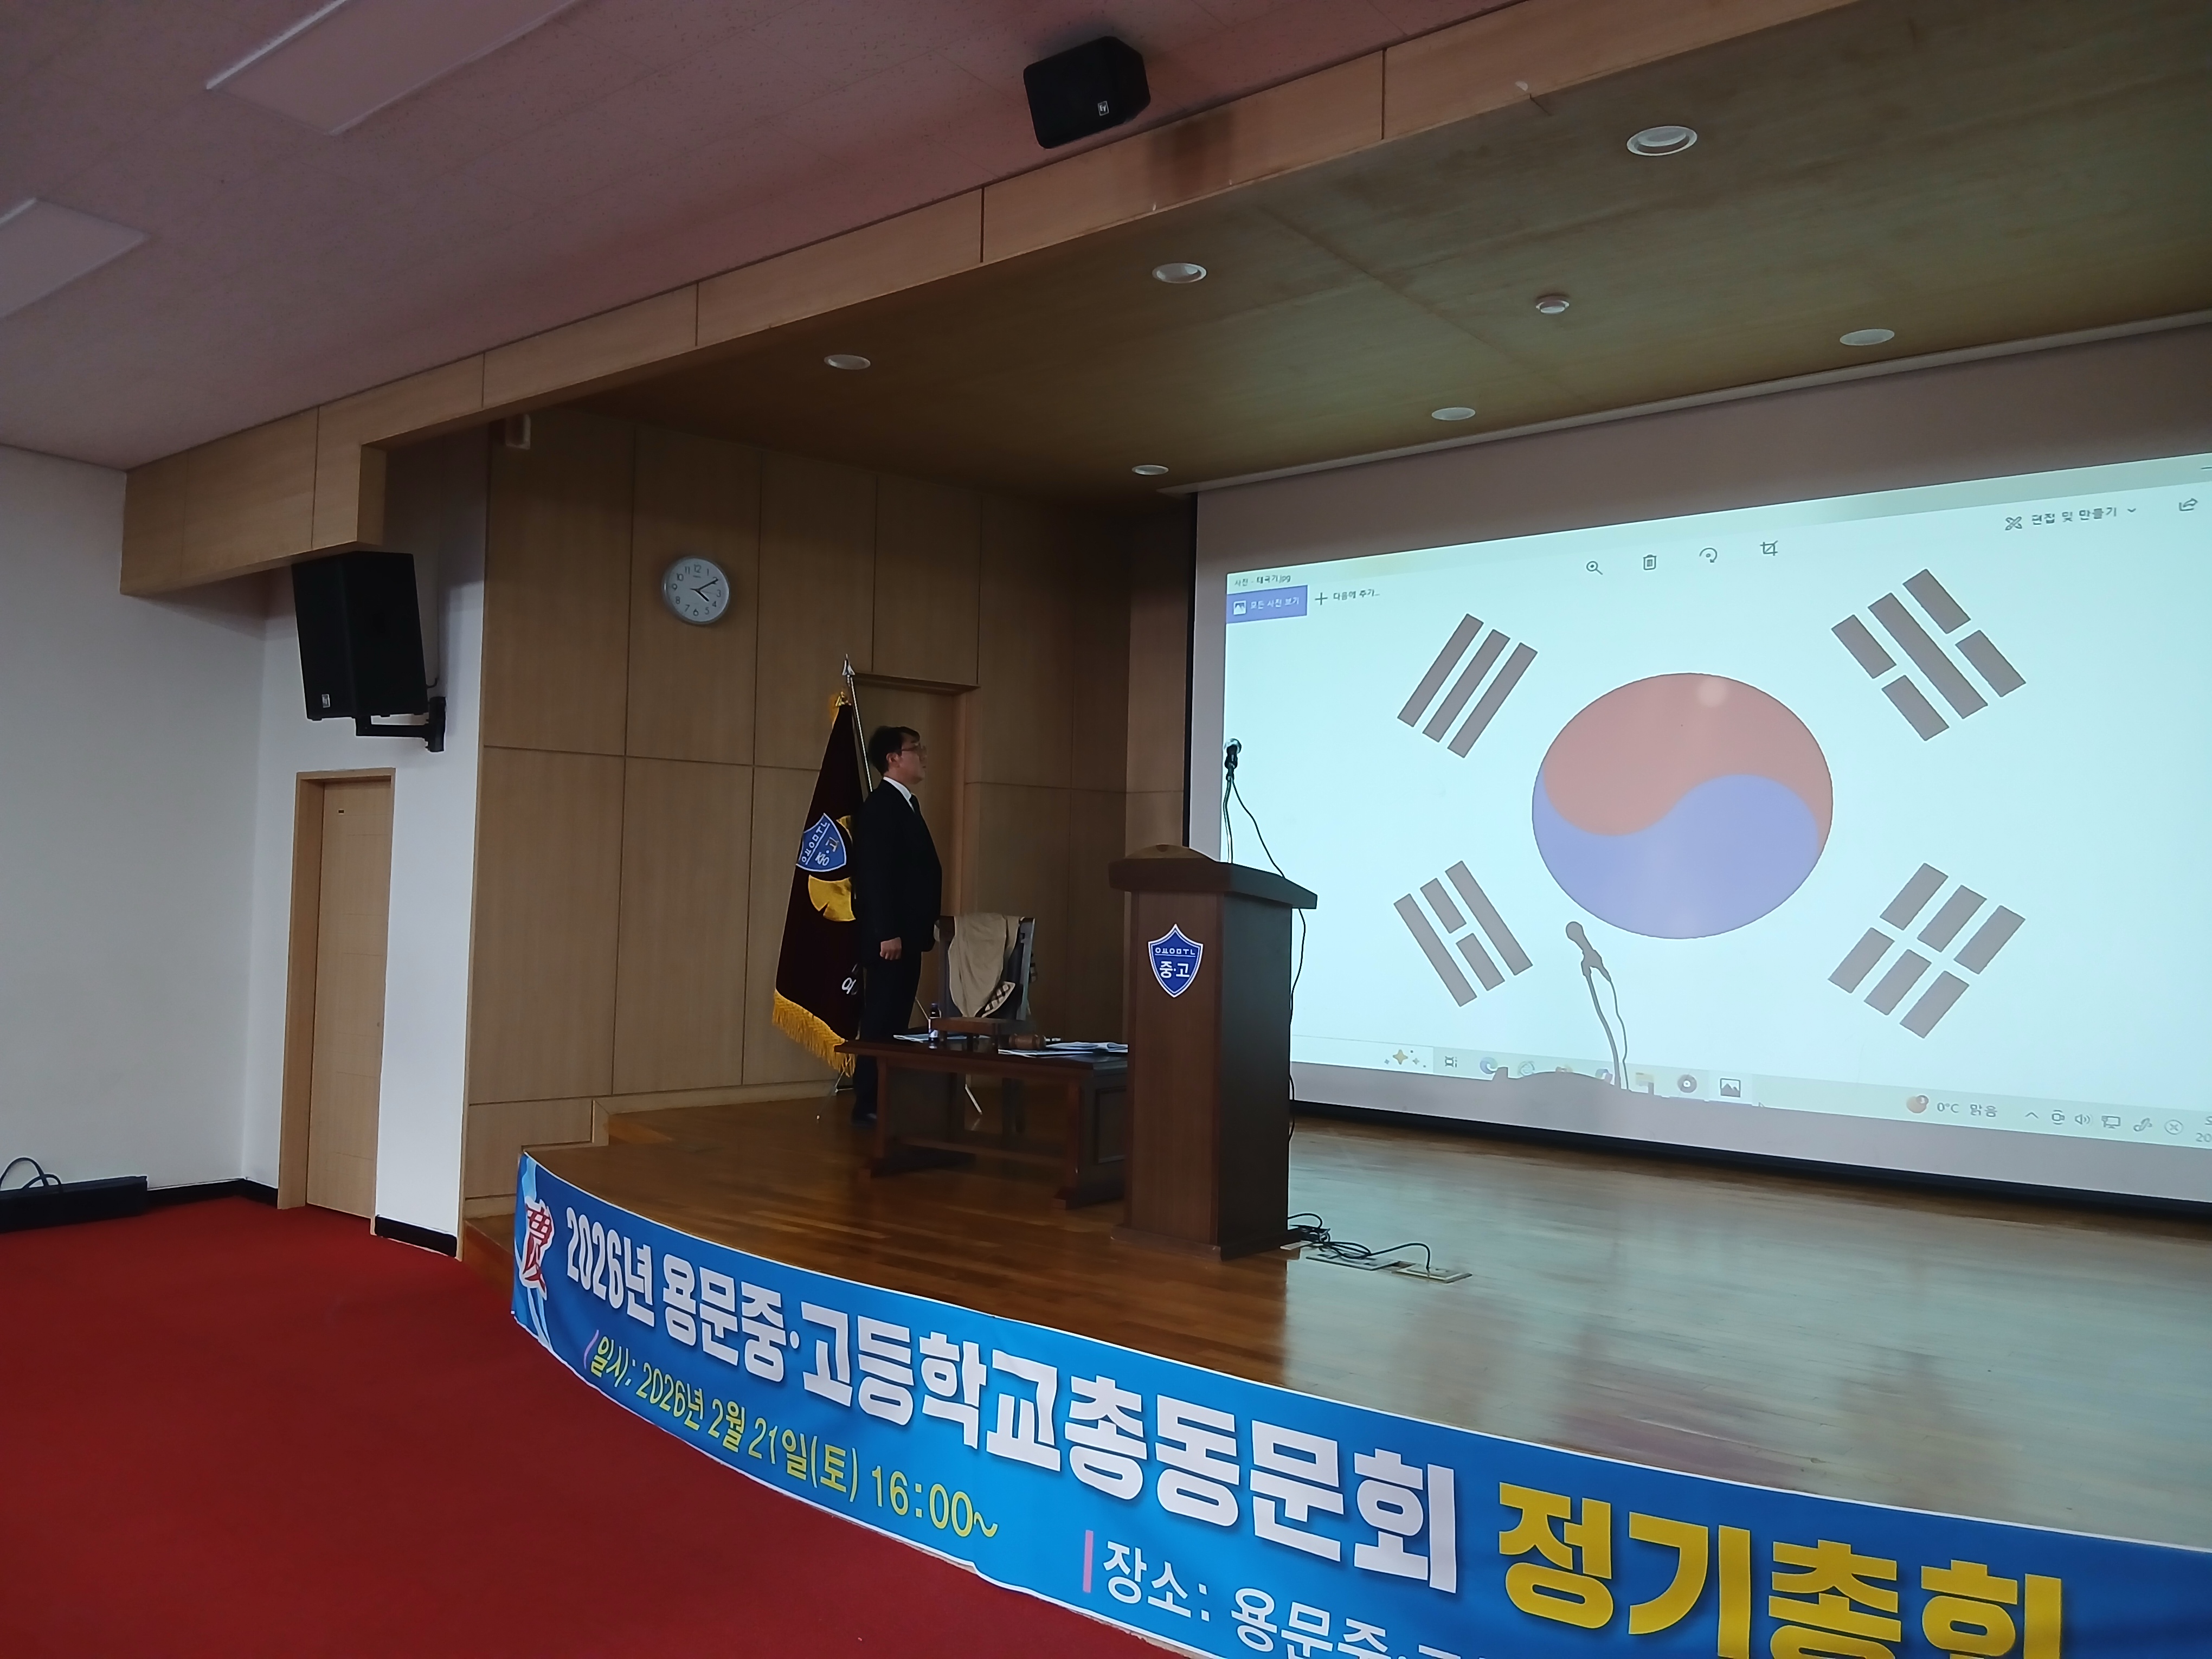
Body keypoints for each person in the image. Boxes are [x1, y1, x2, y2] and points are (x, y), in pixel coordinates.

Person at [852, 725, 942, 1126]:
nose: (922, 755)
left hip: (907, 935)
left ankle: (885, 1099)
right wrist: (887, 931)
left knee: (895, 1021)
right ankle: (868, 1103)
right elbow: (875, 876)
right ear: (893, 758)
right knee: (882, 1020)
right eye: (914, 748)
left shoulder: (906, 804)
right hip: (891, 939)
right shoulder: (882, 807)